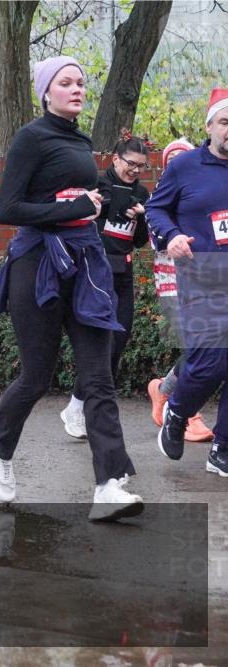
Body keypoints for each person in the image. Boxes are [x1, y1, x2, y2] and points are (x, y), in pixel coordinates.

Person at [0, 56, 143, 521]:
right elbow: (9, 209)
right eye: (65, 83)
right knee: (37, 376)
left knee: (99, 376)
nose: (77, 89)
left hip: (85, 263)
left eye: (81, 83)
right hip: (37, 263)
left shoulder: (80, 141)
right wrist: (69, 209)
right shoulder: (30, 137)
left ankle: (109, 485)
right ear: (46, 92)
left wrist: (103, 206)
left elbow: (82, 202)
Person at [149, 87, 228, 478]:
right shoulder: (185, 167)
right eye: (225, 122)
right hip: (202, 278)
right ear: (210, 126)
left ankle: (223, 448)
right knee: (209, 361)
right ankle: (177, 412)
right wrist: (171, 236)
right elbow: (155, 208)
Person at [59, 131, 153, 439]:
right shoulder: (97, 186)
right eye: (130, 163)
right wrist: (104, 209)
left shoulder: (143, 195)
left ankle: (82, 405)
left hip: (122, 274)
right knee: (101, 344)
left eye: (141, 165)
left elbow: (139, 242)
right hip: (94, 272)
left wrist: (141, 217)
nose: (135, 170)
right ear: (115, 159)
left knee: (119, 341)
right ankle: (80, 408)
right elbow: (80, 222)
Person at [145, 138, 215, 442]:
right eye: (169, 158)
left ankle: (162, 391)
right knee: (198, 350)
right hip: (172, 281)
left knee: (204, 349)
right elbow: (154, 238)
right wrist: (172, 236)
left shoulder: (203, 191)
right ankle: (187, 413)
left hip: (205, 280)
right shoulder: (162, 198)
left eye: (180, 157)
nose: (175, 162)